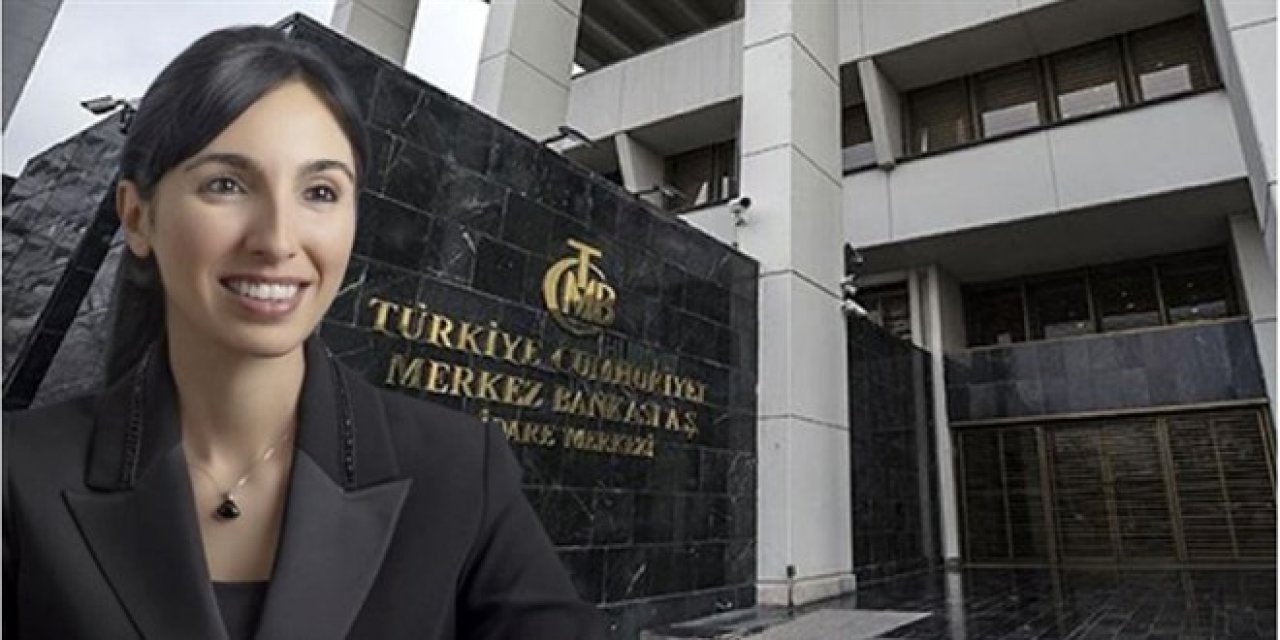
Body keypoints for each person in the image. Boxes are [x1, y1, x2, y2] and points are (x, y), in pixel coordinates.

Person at [3, 25, 606, 640]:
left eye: (320, 192)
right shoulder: (18, 471)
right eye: (226, 184)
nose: (277, 240)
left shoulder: (458, 472)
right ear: (137, 217)